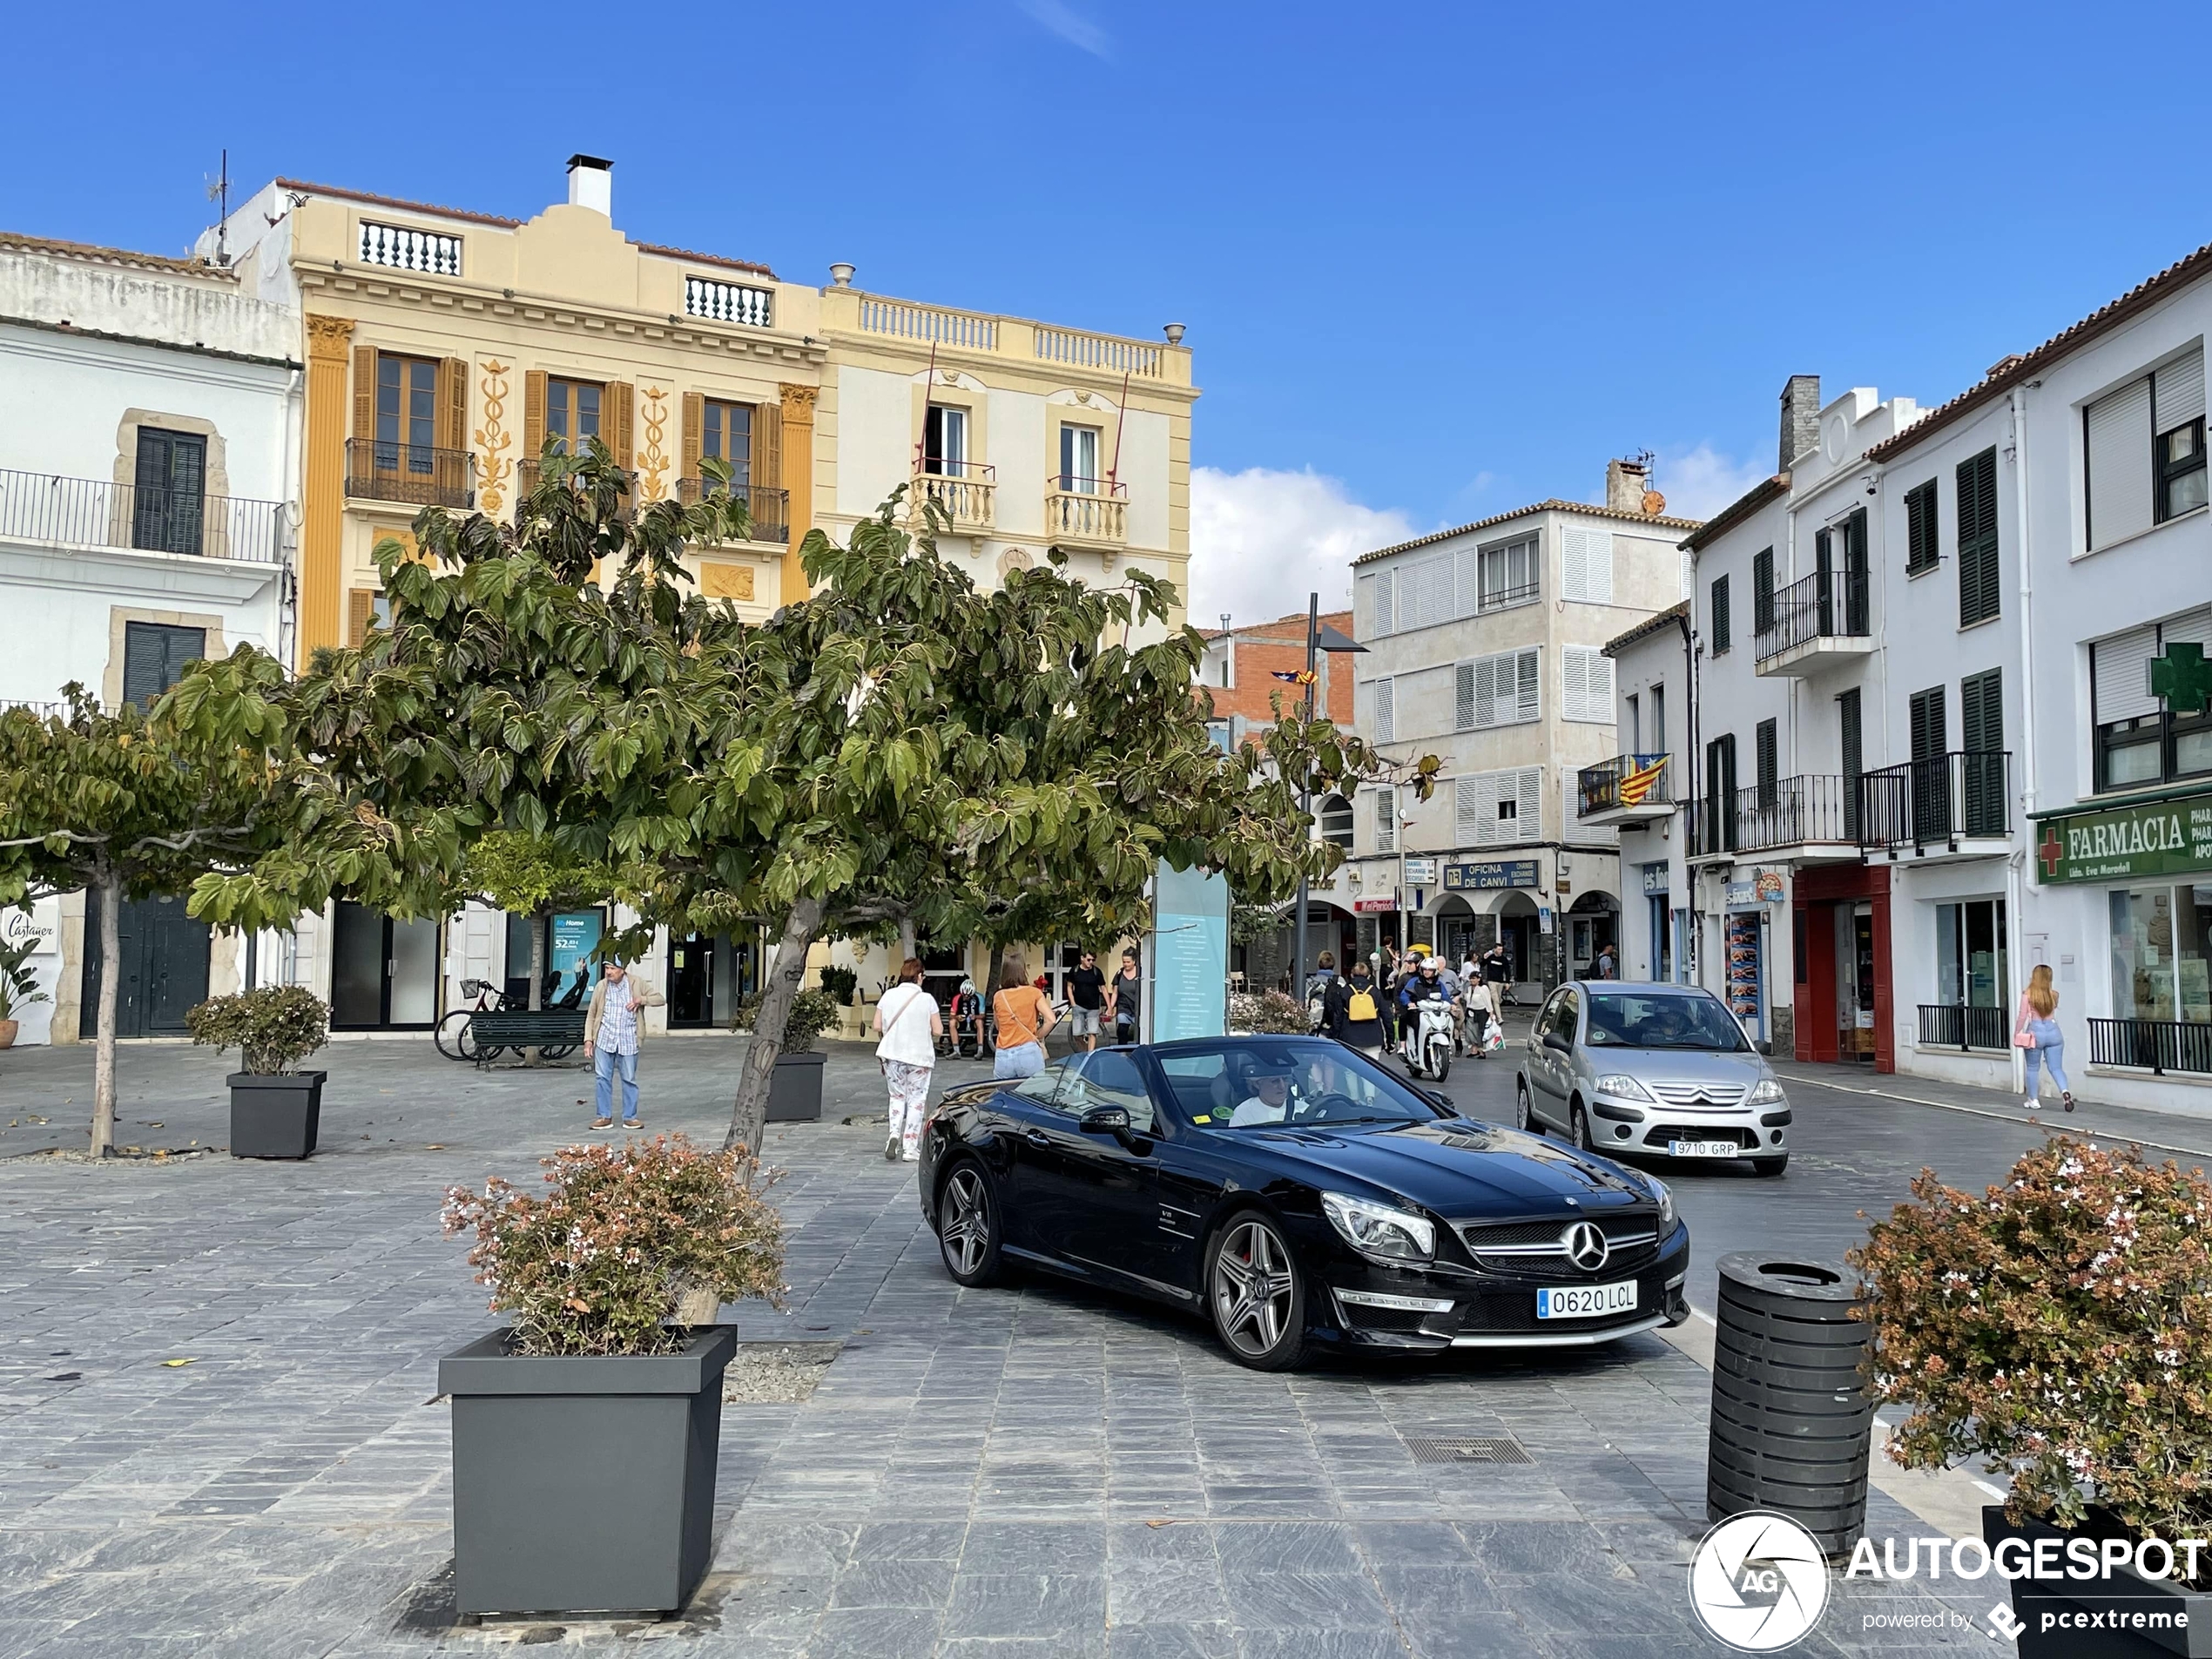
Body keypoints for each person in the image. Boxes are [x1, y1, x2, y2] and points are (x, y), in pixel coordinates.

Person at [873, 957, 944, 1161]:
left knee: (897, 1097)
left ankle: (893, 1134)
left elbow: (877, 1025)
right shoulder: (927, 999)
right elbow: (938, 1030)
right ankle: (910, 1146)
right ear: (919, 976)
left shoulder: (888, 995)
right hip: (919, 1057)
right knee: (916, 1100)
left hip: (892, 1054)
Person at [583, 960, 665, 1130]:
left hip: (628, 1039)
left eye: (612, 968)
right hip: (605, 1039)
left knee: (629, 1079)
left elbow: (660, 999)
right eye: (607, 968)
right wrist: (588, 1040)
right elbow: (591, 1014)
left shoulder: (636, 983)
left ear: (622, 970)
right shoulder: (601, 986)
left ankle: (630, 1117)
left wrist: (640, 1000)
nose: (608, 972)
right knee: (602, 1078)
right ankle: (604, 1116)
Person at [2015, 963, 2074, 1112]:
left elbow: (2022, 1016)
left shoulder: (2027, 995)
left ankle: (2033, 1099)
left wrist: (2017, 1032)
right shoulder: (2054, 995)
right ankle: (2065, 1092)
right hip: (2054, 1032)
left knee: (2033, 1068)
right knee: (2056, 1068)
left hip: (2036, 1033)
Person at [993, 961, 1056, 1079]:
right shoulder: (1034, 993)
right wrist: (1037, 1035)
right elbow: (1051, 1019)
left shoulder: (999, 996)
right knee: (1033, 1093)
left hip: (1004, 1054)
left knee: (1003, 1094)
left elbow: (998, 1026)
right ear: (1023, 972)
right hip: (1028, 1051)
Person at [1328, 960, 1389, 1057]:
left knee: (1350, 1070)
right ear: (1368, 976)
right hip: (1373, 1038)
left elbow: (1337, 1017)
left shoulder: (1344, 992)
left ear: (1352, 975)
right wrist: (1390, 1040)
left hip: (1349, 1038)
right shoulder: (1375, 992)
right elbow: (1387, 1016)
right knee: (1371, 1070)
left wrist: (1334, 1037)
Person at [1228, 1055, 1301, 1126]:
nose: (1282, 1087)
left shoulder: (1303, 1108)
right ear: (1257, 1084)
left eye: (1285, 1079)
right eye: (1275, 1081)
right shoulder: (1243, 1113)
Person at [1067, 949, 1108, 1052]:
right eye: (1088, 960)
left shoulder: (1096, 972)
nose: (1091, 962)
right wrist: (1073, 1002)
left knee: (1092, 1033)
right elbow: (1069, 986)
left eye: (1093, 960)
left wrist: (1109, 1006)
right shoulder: (1075, 971)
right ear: (1082, 958)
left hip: (1093, 1007)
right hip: (1078, 1006)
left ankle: (1089, 1055)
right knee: (1077, 1035)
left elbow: (1103, 988)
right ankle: (1085, 1052)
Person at [1108, 948, 1143, 1045]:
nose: (1126, 964)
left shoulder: (1141, 973)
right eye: (1124, 962)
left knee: (1139, 1034)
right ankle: (1122, 1052)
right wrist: (1110, 1007)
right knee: (1122, 1031)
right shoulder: (1119, 974)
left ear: (1134, 961)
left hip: (1138, 1009)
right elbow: (1115, 992)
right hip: (1124, 1008)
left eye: (1128, 962)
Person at [1304, 951, 1341, 1033]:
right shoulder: (1339, 982)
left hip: (1313, 1025)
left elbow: (1304, 1005)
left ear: (1319, 964)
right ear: (1333, 965)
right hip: (1333, 1025)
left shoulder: (1309, 982)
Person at [1465, 973, 1498, 1057]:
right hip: (1470, 1012)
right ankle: (1474, 1050)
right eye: (1471, 978)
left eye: (1474, 978)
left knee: (1480, 1032)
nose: (1472, 980)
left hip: (1481, 1012)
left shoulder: (1483, 988)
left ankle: (1482, 1051)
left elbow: (1488, 1001)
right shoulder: (1469, 988)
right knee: (1470, 1032)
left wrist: (1491, 1012)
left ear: (1479, 979)